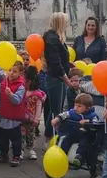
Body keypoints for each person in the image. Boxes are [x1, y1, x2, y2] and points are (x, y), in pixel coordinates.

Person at [42, 12, 72, 141]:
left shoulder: (54, 37)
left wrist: (68, 63)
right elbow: (55, 62)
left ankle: (51, 136)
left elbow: (58, 58)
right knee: (55, 110)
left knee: (56, 109)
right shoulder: (52, 39)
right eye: (65, 22)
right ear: (60, 23)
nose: (67, 24)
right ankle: (50, 137)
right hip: (56, 79)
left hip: (57, 78)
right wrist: (66, 79)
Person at [51, 93, 97, 168]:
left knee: (85, 142)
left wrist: (88, 121)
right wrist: (56, 119)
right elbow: (63, 115)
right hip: (73, 132)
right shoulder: (72, 112)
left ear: (87, 108)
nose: (76, 108)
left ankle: (79, 157)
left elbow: (96, 123)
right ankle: (62, 154)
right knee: (66, 140)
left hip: (85, 134)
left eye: (79, 106)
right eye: (75, 105)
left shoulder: (92, 115)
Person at [0, 61, 26, 166]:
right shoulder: (3, 83)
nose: (11, 73)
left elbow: (17, 101)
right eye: (10, 70)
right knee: (3, 139)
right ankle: (4, 154)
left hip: (14, 119)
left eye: (15, 71)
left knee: (16, 139)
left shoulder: (21, 86)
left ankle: (16, 155)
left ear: (20, 73)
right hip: (4, 117)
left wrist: (11, 94)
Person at [23, 66, 46, 160]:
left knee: (31, 133)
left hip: (31, 118)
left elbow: (38, 107)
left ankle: (31, 149)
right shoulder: (22, 91)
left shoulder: (37, 94)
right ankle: (20, 149)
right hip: (21, 117)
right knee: (21, 134)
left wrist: (37, 119)